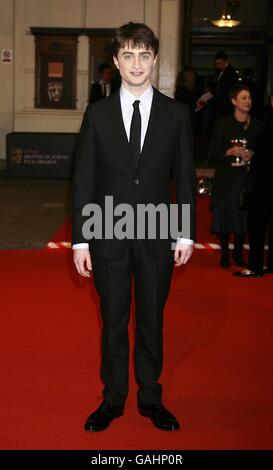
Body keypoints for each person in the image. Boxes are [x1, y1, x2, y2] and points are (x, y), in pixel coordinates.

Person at [72, 22, 196, 432]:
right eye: (128, 55)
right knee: (112, 318)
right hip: (107, 231)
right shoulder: (97, 113)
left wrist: (185, 231)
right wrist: (80, 240)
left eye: (144, 55)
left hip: (158, 232)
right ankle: (112, 398)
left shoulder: (177, 114)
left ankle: (150, 397)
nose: (137, 63)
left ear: (155, 60)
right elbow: (85, 178)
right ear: (115, 62)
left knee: (150, 320)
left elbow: (184, 175)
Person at [210, 84, 263, 268]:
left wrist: (254, 154)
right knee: (225, 217)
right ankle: (224, 253)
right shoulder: (223, 124)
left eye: (249, 97)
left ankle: (238, 253)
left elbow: (265, 151)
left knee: (244, 218)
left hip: (248, 179)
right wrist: (229, 151)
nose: (248, 101)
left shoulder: (258, 125)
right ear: (234, 101)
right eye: (243, 98)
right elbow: (213, 152)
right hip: (227, 177)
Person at [234, 92, 273, 277]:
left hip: (264, 185)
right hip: (265, 182)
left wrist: (253, 159)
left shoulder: (267, 125)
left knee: (257, 227)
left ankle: (255, 266)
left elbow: (264, 158)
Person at [211, 51, 238, 120]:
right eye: (216, 63)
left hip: (226, 105)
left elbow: (231, 90)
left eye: (219, 63)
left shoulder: (231, 73)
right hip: (219, 105)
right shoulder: (218, 72)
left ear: (226, 61)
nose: (217, 65)